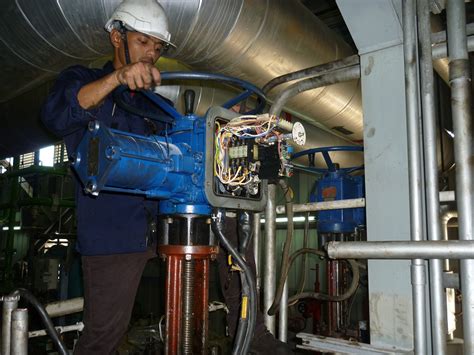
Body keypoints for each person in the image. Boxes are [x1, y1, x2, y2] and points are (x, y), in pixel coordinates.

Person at [42, 0, 293, 353]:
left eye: (158, 47)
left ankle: (253, 336)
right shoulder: (82, 80)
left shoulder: (155, 106)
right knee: (105, 335)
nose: (152, 54)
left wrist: (220, 126)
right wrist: (116, 78)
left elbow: (184, 155)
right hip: (113, 227)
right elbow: (56, 116)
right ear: (117, 37)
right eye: (143, 42)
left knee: (233, 231)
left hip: (167, 216)